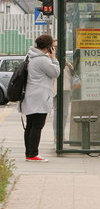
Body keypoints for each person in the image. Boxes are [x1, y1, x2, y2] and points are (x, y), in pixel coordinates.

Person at [22, 33, 61, 162]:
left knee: (30, 125)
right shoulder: (42, 59)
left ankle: (29, 153)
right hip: (39, 97)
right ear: (49, 47)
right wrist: (54, 58)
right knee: (37, 125)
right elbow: (55, 72)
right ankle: (33, 154)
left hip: (30, 95)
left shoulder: (29, 56)